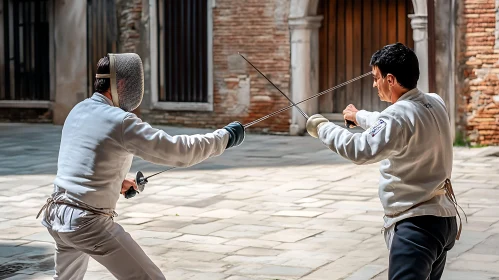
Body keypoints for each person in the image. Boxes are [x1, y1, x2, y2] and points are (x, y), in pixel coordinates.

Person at [37, 53, 245, 280]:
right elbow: (179, 151)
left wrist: (117, 182)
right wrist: (224, 137)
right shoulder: (121, 121)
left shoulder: (78, 110)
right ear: (124, 84)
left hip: (56, 216)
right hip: (87, 224)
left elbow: (83, 165)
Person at [306, 43, 465, 279]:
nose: (373, 84)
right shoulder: (434, 102)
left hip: (416, 227)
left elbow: (359, 149)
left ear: (390, 80)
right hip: (443, 221)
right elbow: (390, 122)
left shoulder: (398, 116)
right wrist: (357, 116)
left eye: (376, 77)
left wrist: (322, 127)